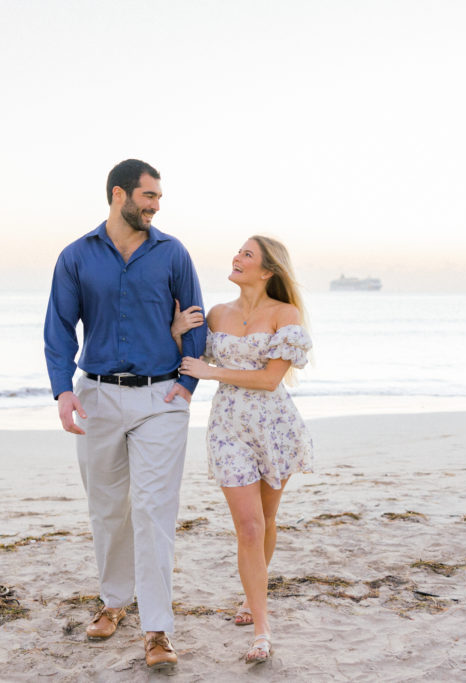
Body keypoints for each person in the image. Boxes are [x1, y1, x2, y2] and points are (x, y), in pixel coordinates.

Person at [44, 159, 206, 670]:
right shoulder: (76, 256)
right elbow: (58, 327)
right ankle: (115, 602)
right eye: (148, 196)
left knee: (154, 510)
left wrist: (186, 384)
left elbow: (196, 318)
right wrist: (62, 393)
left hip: (161, 399)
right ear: (120, 195)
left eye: (159, 198)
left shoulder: (172, 252)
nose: (156, 206)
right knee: (108, 508)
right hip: (96, 397)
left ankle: (157, 629)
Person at [174, 235, 313, 664]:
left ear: (267, 270)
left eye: (247, 254)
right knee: (249, 527)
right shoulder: (216, 314)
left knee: (268, 520)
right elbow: (187, 359)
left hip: (275, 428)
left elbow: (271, 380)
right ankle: (261, 629)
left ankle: (251, 596)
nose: (236, 257)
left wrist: (213, 371)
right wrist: (179, 333)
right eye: (238, 251)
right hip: (228, 428)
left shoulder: (284, 315)